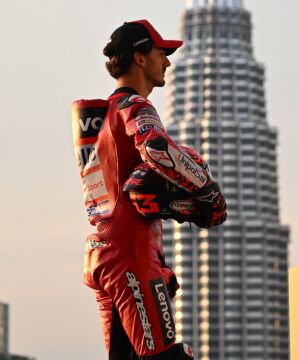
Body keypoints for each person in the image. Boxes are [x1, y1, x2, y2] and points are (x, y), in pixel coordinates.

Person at [71, 20, 226, 359]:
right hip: (130, 249)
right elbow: (156, 148)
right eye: (161, 53)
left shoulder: (102, 118)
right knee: (166, 357)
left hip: (102, 250)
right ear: (139, 58)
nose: (167, 61)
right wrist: (207, 191)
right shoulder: (134, 106)